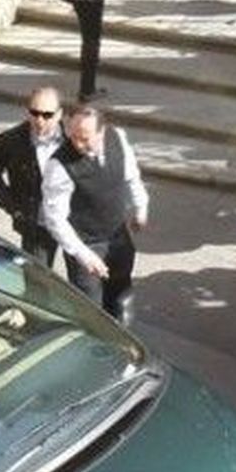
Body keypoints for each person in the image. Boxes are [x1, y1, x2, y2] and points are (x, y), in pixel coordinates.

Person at [41, 105, 149, 322]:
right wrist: (83, 255)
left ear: (102, 132)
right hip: (86, 243)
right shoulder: (59, 166)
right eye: (74, 137)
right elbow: (55, 219)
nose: (77, 144)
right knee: (90, 310)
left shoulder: (118, 139)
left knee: (121, 293)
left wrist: (141, 207)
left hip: (118, 236)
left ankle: (123, 339)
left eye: (85, 138)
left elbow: (131, 176)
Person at [0, 87, 65, 268]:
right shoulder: (11, 140)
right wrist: (13, 207)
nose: (39, 121)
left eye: (47, 115)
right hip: (37, 225)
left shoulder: (73, 137)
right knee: (37, 281)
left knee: (83, 284)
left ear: (59, 114)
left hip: (73, 222)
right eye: (34, 113)